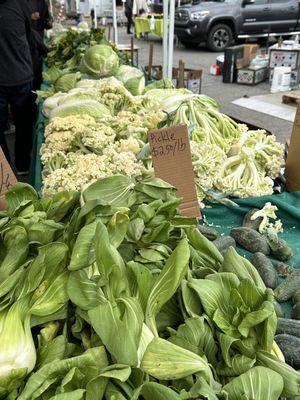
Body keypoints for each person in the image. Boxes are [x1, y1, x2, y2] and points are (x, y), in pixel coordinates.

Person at [0, 0, 35, 174]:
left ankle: (6, 170)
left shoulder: (17, 6)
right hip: (20, 74)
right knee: (24, 124)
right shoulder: (18, 7)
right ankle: (22, 164)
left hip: (11, 76)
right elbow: (29, 37)